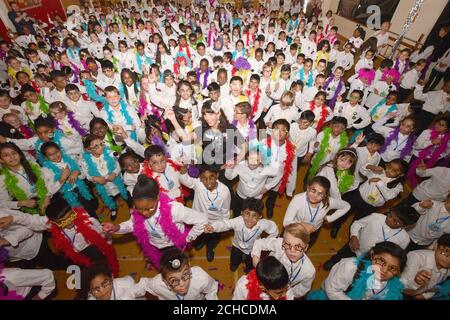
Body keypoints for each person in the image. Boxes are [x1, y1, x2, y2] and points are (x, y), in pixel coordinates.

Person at [323, 204, 419, 271]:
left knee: (355, 270)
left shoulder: (404, 239)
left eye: (396, 221)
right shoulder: (376, 217)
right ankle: (333, 261)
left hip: (369, 260)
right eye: (390, 215)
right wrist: (354, 236)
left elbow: (394, 254)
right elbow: (357, 223)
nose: (389, 219)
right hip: (354, 247)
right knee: (342, 254)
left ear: (405, 226)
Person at [309, 241, 406, 300]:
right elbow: (332, 290)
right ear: (372, 255)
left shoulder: (393, 286)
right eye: (381, 261)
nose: (384, 270)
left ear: (398, 272)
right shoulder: (350, 267)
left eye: (392, 268)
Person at [204, 198, 278, 274]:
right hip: (237, 246)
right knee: (234, 259)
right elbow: (226, 224)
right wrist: (213, 227)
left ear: (260, 216)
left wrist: (264, 244)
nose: (250, 219)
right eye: (247, 214)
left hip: (252, 249)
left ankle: (248, 269)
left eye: (254, 215)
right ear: (242, 213)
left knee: (250, 263)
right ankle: (234, 265)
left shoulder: (263, 224)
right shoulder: (238, 221)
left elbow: (274, 229)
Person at [251, 223, 316, 298]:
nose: (292, 251)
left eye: (298, 246)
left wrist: (287, 293)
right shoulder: (280, 244)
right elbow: (259, 243)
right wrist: (256, 258)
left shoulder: (309, 271)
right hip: (265, 280)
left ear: (306, 247)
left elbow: (303, 289)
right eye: (288, 245)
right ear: (283, 242)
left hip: (282, 291)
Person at [130, 248, 219, 300]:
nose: (182, 284)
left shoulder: (200, 276)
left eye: (185, 275)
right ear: (164, 280)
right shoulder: (157, 283)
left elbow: (212, 289)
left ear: (189, 266)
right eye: (174, 280)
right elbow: (143, 285)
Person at [401, 234, 450, 300]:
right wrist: (417, 282)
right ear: (436, 246)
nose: (448, 259)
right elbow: (401, 286)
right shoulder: (416, 257)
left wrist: (426, 296)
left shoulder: (448, 269)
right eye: (446, 251)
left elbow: (436, 286)